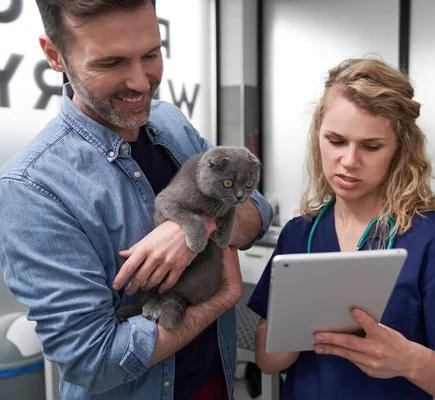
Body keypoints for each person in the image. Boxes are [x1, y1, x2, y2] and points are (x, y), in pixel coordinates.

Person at [0, 1, 273, 399]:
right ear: (55, 55)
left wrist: (194, 228)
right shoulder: (32, 188)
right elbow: (93, 361)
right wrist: (221, 300)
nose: (141, 83)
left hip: (216, 380)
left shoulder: (170, 122)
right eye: (111, 63)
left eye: (151, 54)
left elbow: (259, 212)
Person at [247, 58, 435, 400]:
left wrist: (410, 361)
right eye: (336, 141)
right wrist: (294, 326)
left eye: (371, 146)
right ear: (318, 135)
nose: (349, 161)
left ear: (399, 151)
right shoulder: (299, 234)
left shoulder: (433, 243)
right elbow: (268, 361)